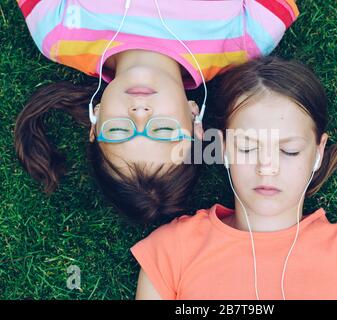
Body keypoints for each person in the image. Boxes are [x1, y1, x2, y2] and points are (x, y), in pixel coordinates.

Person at [131, 56, 337, 299]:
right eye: (248, 147)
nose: (267, 167)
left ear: (317, 153)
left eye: (289, 150)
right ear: (224, 148)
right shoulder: (170, 253)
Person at [14, 0, 299, 223]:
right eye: (163, 130)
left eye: (119, 130)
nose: (140, 112)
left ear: (96, 120)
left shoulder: (57, 34)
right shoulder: (246, 39)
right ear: (194, 119)